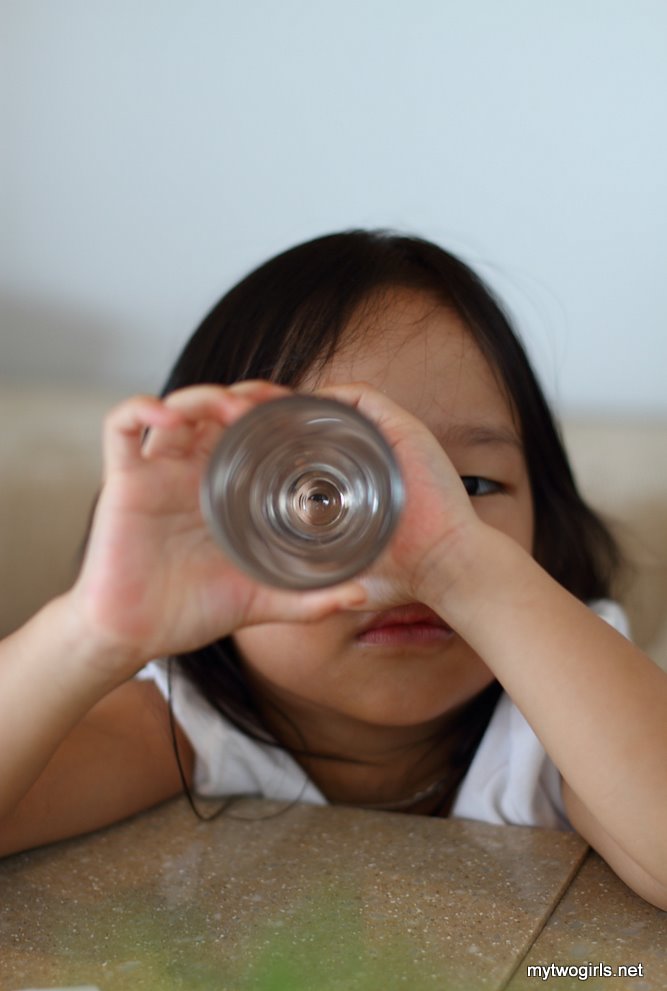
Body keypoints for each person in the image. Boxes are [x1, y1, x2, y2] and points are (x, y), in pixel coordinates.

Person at [0, 231, 665, 910]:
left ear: (544, 518)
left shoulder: (564, 701)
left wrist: (461, 568)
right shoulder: (191, 723)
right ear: (213, 520)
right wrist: (89, 633)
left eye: (468, 485)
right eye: (319, 494)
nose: (400, 548)